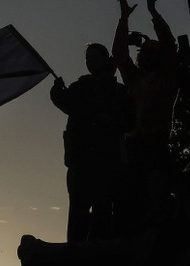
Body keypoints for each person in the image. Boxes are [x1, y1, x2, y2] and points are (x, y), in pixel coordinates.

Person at [50, 42, 132, 244]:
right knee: (78, 212)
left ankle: (99, 256)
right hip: (80, 161)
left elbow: (129, 121)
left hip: (106, 161)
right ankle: (75, 255)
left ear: (105, 59)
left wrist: (110, 120)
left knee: (102, 211)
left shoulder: (118, 91)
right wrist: (57, 91)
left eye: (94, 57)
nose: (90, 62)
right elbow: (66, 103)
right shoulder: (80, 87)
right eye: (87, 58)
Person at [112, 0, 180, 230]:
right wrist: (123, 19)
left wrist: (154, 13)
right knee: (131, 197)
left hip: (156, 140)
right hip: (134, 143)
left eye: (153, 52)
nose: (147, 55)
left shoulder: (168, 77)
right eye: (145, 52)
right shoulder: (134, 77)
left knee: (158, 191)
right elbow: (120, 56)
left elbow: (171, 48)